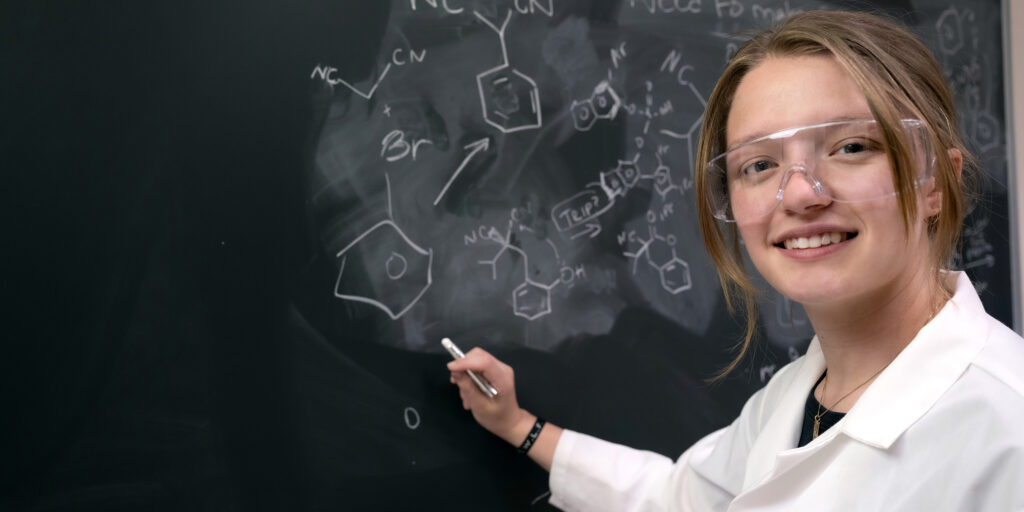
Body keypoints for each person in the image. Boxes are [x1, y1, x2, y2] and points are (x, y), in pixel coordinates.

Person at [447, 10, 1024, 511]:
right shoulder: (796, 397)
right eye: (759, 165)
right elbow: (680, 500)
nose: (800, 193)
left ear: (935, 183)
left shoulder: (1005, 429)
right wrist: (521, 428)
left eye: (851, 147)